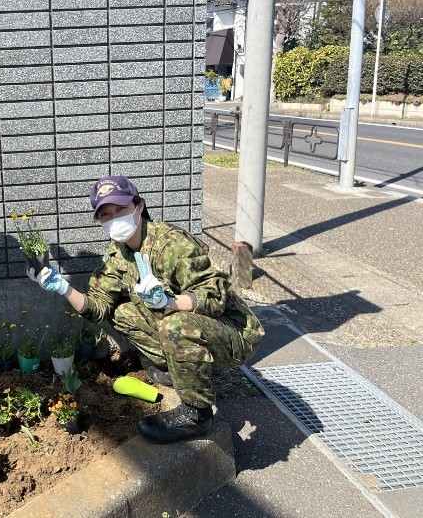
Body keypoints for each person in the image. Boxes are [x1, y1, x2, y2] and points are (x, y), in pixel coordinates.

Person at [28, 175, 264, 443]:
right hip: (193, 327)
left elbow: (214, 296)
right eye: (106, 214)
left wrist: (169, 302)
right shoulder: (118, 256)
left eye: (121, 209)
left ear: (139, 207)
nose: (114, 218)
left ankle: (197, 415)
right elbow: (99, 309)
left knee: (176, 326)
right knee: (121, 312)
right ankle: (175, 367)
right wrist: (63, 287)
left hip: (234, 333)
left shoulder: (171, 245)